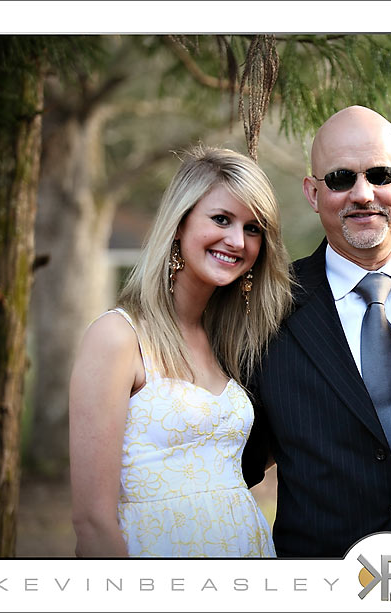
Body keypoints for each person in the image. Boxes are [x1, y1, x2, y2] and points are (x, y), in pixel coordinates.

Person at [243, 105, 391, 558]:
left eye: (380, 174)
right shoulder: (263, 308)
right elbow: (234, 452)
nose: (363, 193)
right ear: (313, 193)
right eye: (340, 178)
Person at [69, 146, 292, 557]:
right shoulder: (119, 337)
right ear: (179, 223)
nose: (237, 241)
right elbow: (92, 522)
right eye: (221, 219)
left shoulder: (230, 343)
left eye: (253, 228)